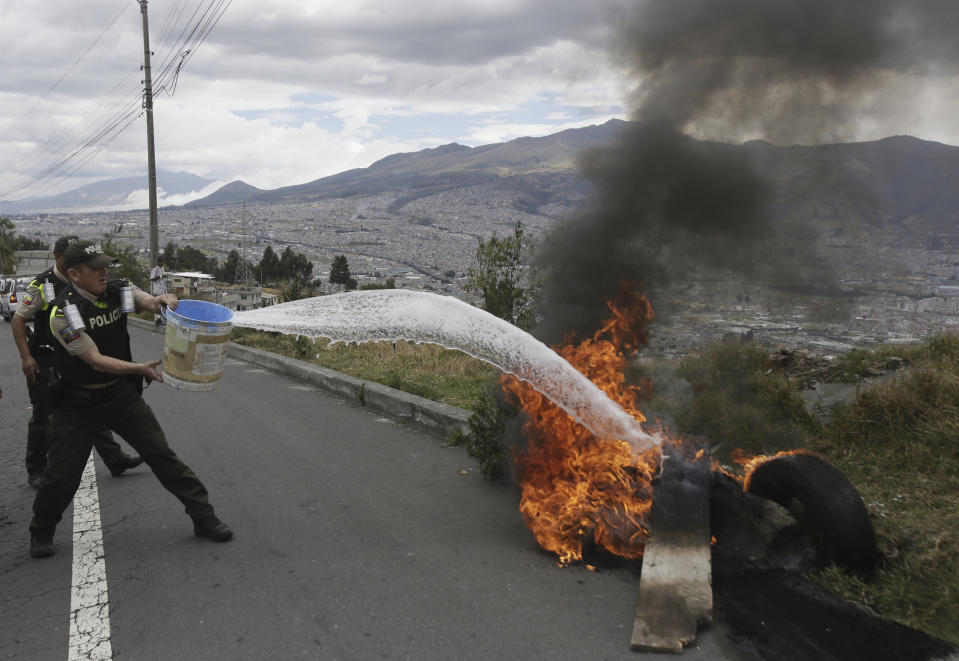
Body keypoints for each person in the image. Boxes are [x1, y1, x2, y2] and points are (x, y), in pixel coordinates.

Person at [29, 241, 232, 559]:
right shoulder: (63, 313)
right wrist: (138, 368)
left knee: (162, 454)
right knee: (61, 475)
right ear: (73, 274)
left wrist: (162, 300)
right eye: (95, 268)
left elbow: (147, 302)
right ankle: (41, 529)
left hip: (119, 396)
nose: (103, 272)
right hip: (76, 405)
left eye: (105, 266)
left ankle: (203, 517)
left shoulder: (114, 292)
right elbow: (94, 360)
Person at [11, 235, 143, 488]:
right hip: (47, 356)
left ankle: (114, 458)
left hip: (75, 355)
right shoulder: (43, 285)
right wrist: (26, 357)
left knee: (89, 405)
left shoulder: (85, 277)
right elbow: (18, 320)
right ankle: (37, 468)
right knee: (44, 414)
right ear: (59, 258)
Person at [149, 255, 166, 326]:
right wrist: (161, 276)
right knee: (157, 305)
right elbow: (152, 278)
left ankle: (162, 320)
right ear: (159, 262)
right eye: (162, 261)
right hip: (157, 290)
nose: (163, 263)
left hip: (162, 290)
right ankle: (157, 320)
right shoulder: (155, 269)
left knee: (162, 305)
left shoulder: (162, 269)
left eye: (163, 261)